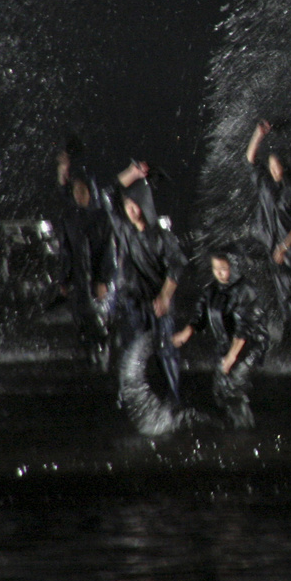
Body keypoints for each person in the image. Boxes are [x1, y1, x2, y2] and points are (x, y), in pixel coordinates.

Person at [101, 160, 189, 402]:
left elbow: (177, 265)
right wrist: (132, 172)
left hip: (159, 304)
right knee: (132, 352)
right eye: (127, 205)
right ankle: (129, 397)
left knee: (166, 352)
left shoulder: (162, 237)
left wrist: (165, 296)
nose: (130, 209)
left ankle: (173, 398)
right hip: (133, 303)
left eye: (134, 204)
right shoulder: (124, 231)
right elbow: (107, 194)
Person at [173, 247, 268, 428]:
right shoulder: (212, 291)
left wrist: (232, 356)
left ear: (233, 267)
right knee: (220, 390)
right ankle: (234, 425)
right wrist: (185, 334)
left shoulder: (245, 290)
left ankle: (245, 430)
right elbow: (199, 316)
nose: (220, 273)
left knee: (233, 387)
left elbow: (245, 327)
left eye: (224, 268)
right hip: (226, 344)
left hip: (249, 346)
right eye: (216, 269)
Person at [245, 120, 291, 344]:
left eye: (278, 166)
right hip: (273, 247)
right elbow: (250, 159)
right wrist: (258, 135)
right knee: (284, 296)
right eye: (271, 166)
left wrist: (285, 246)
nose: (274, 170)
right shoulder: (266, 186)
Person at [54, 147, 112, 362]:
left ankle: (102, 348)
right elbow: (66, 250)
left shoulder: (102, 217)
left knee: (97, 316)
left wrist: (103, 279)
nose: (80, 195)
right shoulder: (69, 217)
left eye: (83, 190)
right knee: (81, 316)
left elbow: (108, 249)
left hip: (96, 276)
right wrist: (63, 278)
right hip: (78, 276)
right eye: (76, 191)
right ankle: (87, 354)